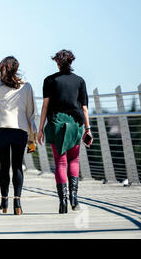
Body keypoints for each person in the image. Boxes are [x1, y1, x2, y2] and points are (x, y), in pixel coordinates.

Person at [37, 50, 93, 214]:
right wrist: (88, 129)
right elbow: (84, 108)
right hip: (76, 124)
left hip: (57, 124)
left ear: (57, 62)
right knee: (74, 160)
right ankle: (74, 198)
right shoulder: (80, 81)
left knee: (60, 162)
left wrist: (40, 129)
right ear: (71, 62)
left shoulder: (49, 80)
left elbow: (45, 107)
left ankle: (63, 202)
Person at [0, 56, 37, 215]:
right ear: (16, 68)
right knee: (17, 166)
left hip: (2, 131)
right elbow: (31, 113)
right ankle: (18, 203)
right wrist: (32, 137)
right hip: (20, 131)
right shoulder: (26, 87)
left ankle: (4, 201)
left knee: (4, 167)